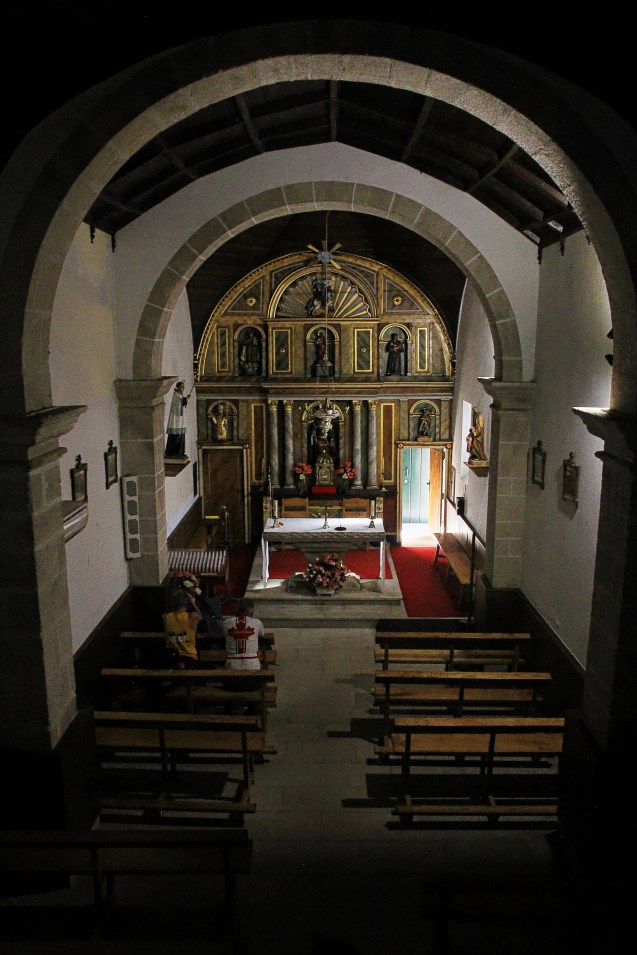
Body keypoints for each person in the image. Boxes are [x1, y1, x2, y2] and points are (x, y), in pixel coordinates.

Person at [162, 588, 202, 668]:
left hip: (172, 656)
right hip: (189, 656)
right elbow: (200, 616)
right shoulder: (192, 617)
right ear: (186, 602)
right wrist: (192, 602)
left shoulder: (165, 617)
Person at [222, 598, 264, 670]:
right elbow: (262, 634)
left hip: (232, 664)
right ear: (251, 611)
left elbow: (224, 634)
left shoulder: (227, 622)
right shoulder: (257, 622)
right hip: (252, 664)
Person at [165, 380, 189, 456]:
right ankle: (174, 453)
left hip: (180, 420)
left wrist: (185, 399)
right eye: (181, 387)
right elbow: (178, 406)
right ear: (177, 387)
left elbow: (182, 404)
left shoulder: (179, 395)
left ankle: (180, 452)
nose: (183, 388)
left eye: (183, 387)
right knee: (176, 435)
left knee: (180, 434)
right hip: (176, 420)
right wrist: (186, 399)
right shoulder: (176, 395)